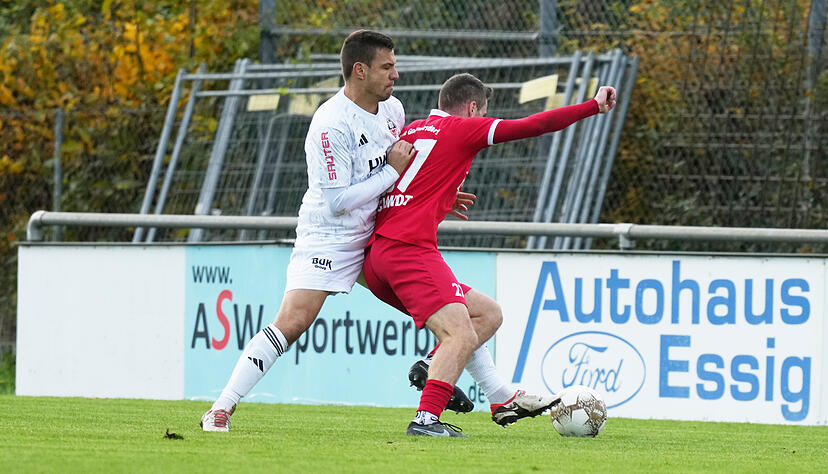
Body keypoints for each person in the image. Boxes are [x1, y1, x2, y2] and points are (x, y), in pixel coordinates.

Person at [362, 73, 617, 436]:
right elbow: (533, 125)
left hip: (378, 257)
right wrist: (592, 106)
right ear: (472, 108)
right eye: (483, 111)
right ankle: (426, 419)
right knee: (460, 337)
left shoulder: (415, 129)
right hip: (408, 251)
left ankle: (496, 395)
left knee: (485, 314)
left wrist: (440, 198)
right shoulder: (462, 129)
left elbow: (404, 182)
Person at [200, 29, 415, 432]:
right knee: (294, 321)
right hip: (330, 236)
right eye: (387, 67)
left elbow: (397, 173)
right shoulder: (331, 123)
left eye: (394, 66)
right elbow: (338, 200)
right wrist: (391, 171)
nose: (395, 75)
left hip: (376, 232)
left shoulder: (393, 111)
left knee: (439, 309)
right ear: (359, 70)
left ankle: (492, 396)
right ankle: (220, 409)